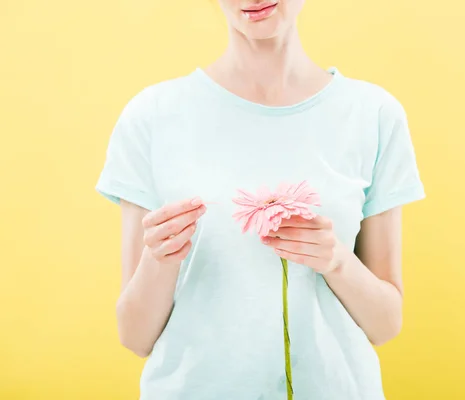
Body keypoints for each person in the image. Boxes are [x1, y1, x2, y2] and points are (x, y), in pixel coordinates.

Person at [96, 1, 425, 399]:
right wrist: (159, 258)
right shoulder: (152, 116)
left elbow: (386, 324)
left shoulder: (373, 114)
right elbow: (134, 336)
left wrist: (336, 259)